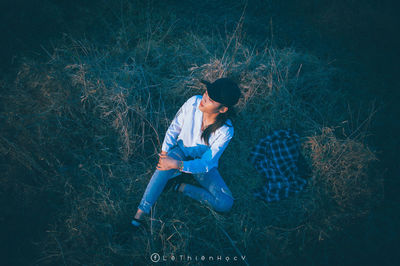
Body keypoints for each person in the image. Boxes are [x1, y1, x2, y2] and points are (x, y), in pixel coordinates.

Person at [131, 78, 242, 228]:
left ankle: (180, 186)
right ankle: (140, 213)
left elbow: (206, 163)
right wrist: (165, 154)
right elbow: (174, 127)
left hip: (201, 166)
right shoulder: (193, 103)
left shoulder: (226, 131)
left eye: (210, 100)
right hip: (181, 151)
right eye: (205, 93)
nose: (203, 99)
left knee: (226, 203)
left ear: (222, 109)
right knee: (163, 165)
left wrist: (177, 165)